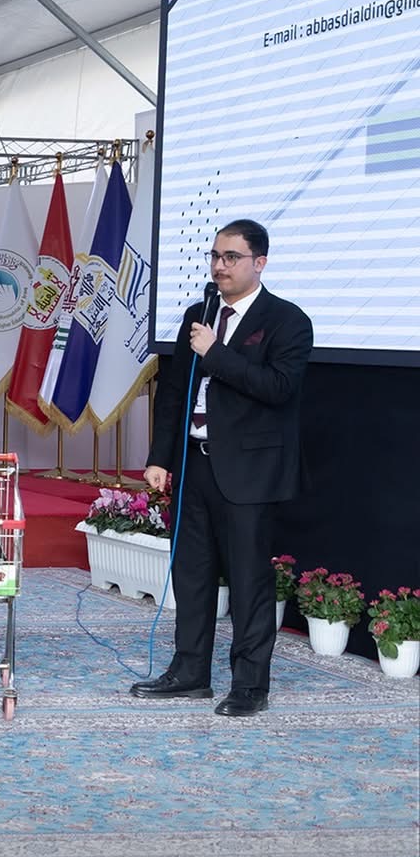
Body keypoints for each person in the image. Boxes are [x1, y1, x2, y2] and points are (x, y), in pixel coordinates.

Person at [134, 219, 314, 718]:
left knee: (249, 581)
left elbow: (277, 388)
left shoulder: (287, 321)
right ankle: (190, 672)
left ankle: (249, 685)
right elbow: (174, 392)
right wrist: (159, 457)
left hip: (249, 472)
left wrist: (216, 353)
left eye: (231, 257)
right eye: (215, 256)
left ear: (260, 262)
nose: (219, 266)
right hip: (195, 463)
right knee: (192, 575)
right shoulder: (200, 314)